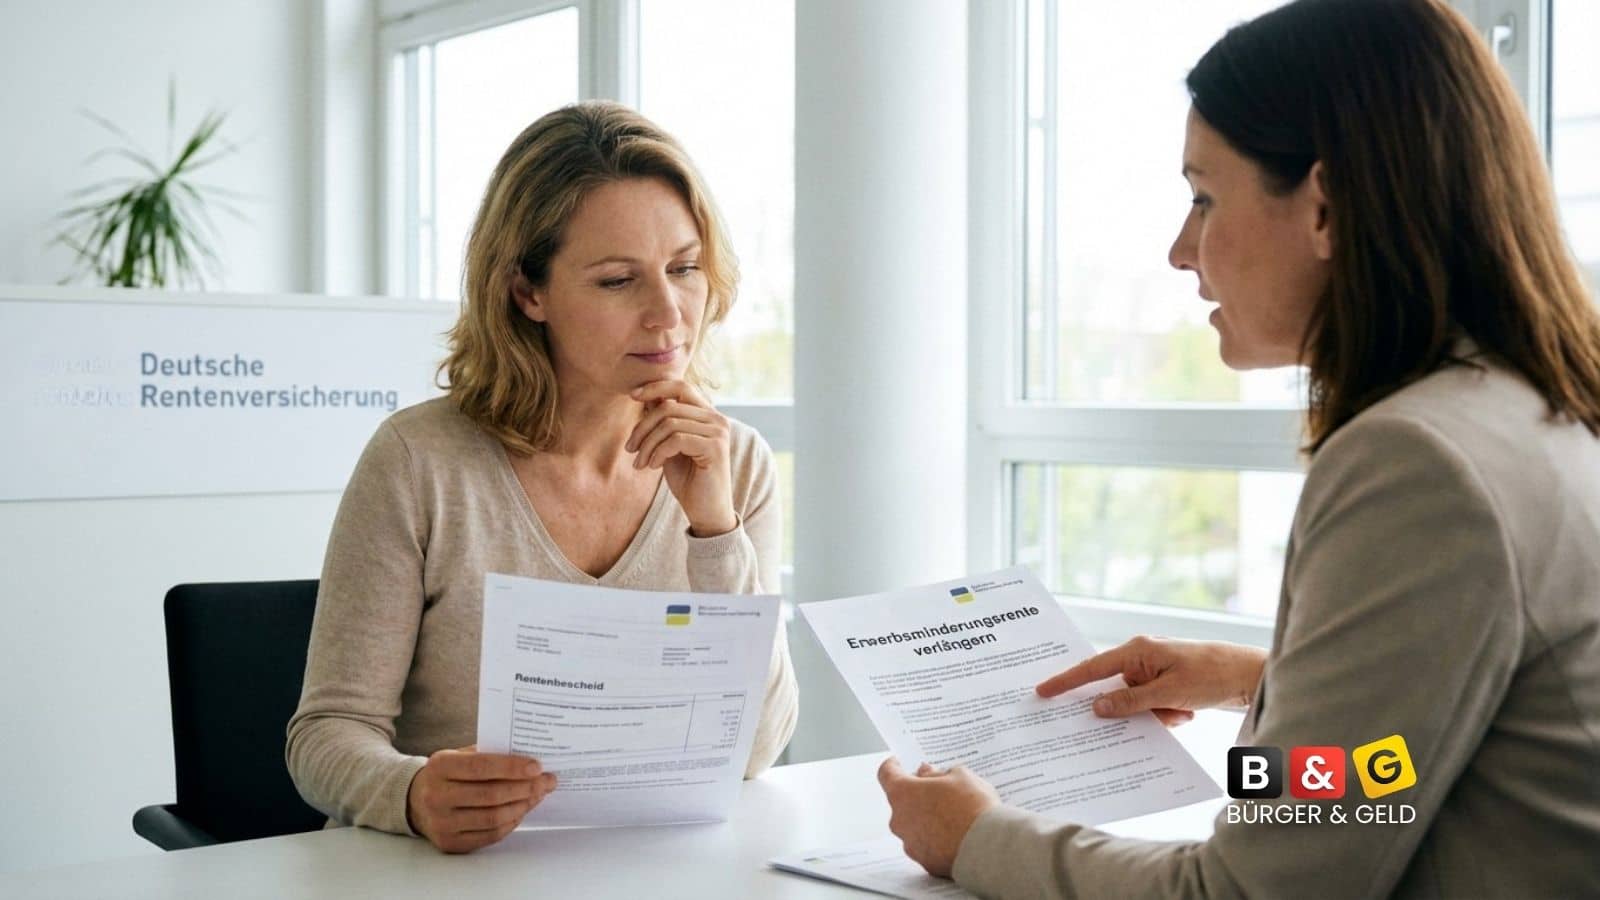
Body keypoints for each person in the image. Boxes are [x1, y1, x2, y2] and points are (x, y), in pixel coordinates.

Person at [877, 0, 1600, 895]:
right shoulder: (1532, 411)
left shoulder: (1418, 462)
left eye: (1204, 197)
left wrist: (977, 838)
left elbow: (1253, 889)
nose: (1183, 251)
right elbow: (1421, 766)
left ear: (1326, 207)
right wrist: (1261, 680)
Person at [286, 101, 798, 854]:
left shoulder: (735, 460)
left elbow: (757, 751)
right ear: (528, 292)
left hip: (646, 872)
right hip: (445, 874)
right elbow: (327, 735)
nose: (669, 314)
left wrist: (714, 529)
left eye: (685, 269)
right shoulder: (418, 461)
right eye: (619, 281)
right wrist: (411, 791)